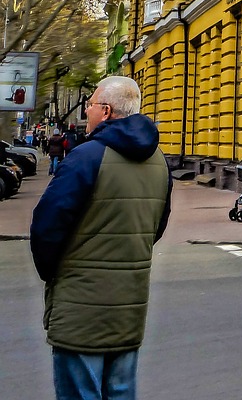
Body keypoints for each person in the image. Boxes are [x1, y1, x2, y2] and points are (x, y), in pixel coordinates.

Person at [30, 75, 172, 400]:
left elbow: (46, 228)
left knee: (80, 392)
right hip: (130, 305)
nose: (88, 111)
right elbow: (156, 227)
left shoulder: (86, 157)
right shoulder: (159, 162)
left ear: (105, 111)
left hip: (81, 307)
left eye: (90, 104)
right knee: (120, 392)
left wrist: (55, 274)